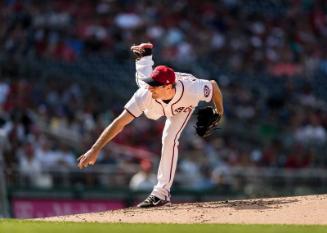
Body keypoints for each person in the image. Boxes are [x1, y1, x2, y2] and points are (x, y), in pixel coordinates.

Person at [77, 42, 224, 208]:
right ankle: (144, 57)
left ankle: (160, 194)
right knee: (143, 88)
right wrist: (95, 149)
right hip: (155, 107)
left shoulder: (193, 89)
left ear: (168, 86)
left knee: (169, 139)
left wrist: (219, 112)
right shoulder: (146, 94)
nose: (151, 87)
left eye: (155, 85)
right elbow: (119, 122)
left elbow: (214, 86)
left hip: (183, 107)